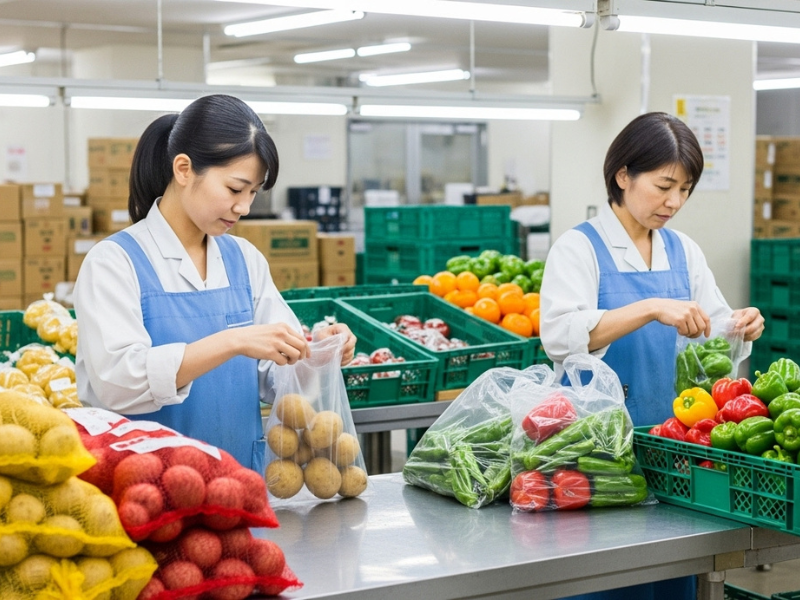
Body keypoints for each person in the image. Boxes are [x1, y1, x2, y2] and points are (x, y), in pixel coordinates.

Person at [539, 112, 764, 600]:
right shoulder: (579, 248)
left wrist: (740, 326)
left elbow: (713, 339)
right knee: (603, 580)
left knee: (670, 576)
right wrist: (647, 308)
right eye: (664, 186)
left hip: (677, 448)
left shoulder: (683, 252)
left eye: (685, 189)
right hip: (597, 454)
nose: (674, 202)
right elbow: (558, 335)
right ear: (623, 176)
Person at [74, 94, 356, 475]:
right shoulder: (115, 262)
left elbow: (278, 378)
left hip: (239, 481)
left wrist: (319, 354)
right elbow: (117, 383)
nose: (245, 207)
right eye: (235, 189)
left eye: (254, 192)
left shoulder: (244, 261)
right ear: (184, 169)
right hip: (146, 488)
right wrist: (232, 341)